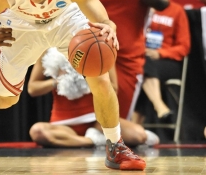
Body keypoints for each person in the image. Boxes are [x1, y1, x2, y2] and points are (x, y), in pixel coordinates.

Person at [0, 0, 146, 171]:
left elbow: (93, 6)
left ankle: (116, 147)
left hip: (65, 20)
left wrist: (109, 25)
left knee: (100, 77)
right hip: (20, 27)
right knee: (6, 97)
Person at [80, 0, 170, 120]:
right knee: (92, 119)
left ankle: (137, 140)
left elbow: (162, 2)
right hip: (95, 54)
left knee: (118, 121)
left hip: (129, 59)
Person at [28, 48, 159, 147]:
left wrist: (89, 77)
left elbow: (114, 87)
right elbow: (32, 88)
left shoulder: (99, 46)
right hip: (64, 125)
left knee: (139, 136)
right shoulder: (48, 48)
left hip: (97, 120)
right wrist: (59, 80)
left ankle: (86, 139)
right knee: (38, 131)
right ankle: (92, 141)